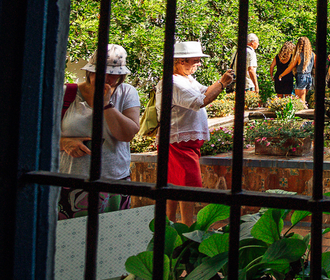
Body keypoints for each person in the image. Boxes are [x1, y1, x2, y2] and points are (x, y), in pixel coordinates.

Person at [58, 44, 141, 220]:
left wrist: (106, 104)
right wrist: (65, 143)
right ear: (90, 72)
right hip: (71, 182)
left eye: (114, 75)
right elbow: (41, 138)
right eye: (102, 73)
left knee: (112, 240)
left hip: (114, 183)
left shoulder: (126, 93)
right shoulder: (67, 94)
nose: (108, 79)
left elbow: (127, 135)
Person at [157, 41, 235, 224]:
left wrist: (220, 84)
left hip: (183, 143)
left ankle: (169, 225)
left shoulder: (186, 80)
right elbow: (199, 101)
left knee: (174, 184)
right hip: (178, 143)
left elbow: (205, 92)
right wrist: (222, 84)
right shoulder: (173, 82)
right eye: (195, 61)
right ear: (180, 61)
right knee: (187, 186)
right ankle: (186, 226)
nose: (198, 64)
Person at [280, 36, 315, 106]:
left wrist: (281, 75)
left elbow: (290, 67)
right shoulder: (313, 54)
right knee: (303, 101)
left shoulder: (298, 55)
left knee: (301, 103)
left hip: (301, 77)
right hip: (309, 77)